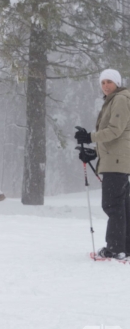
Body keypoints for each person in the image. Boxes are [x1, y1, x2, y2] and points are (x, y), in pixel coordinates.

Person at [75, 68, 130, 260]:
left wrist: (90, 137)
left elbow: (115, 130)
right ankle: (124, 247)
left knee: (113, 205)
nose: (106, 86)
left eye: (109, 82)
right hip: (116, 160)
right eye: (103, 82)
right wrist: (93, 152)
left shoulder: (120, 99)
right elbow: (118, 137)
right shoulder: (114, 100)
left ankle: (115, 249)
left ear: (117, 83)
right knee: (122, 206)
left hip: (117, 163)